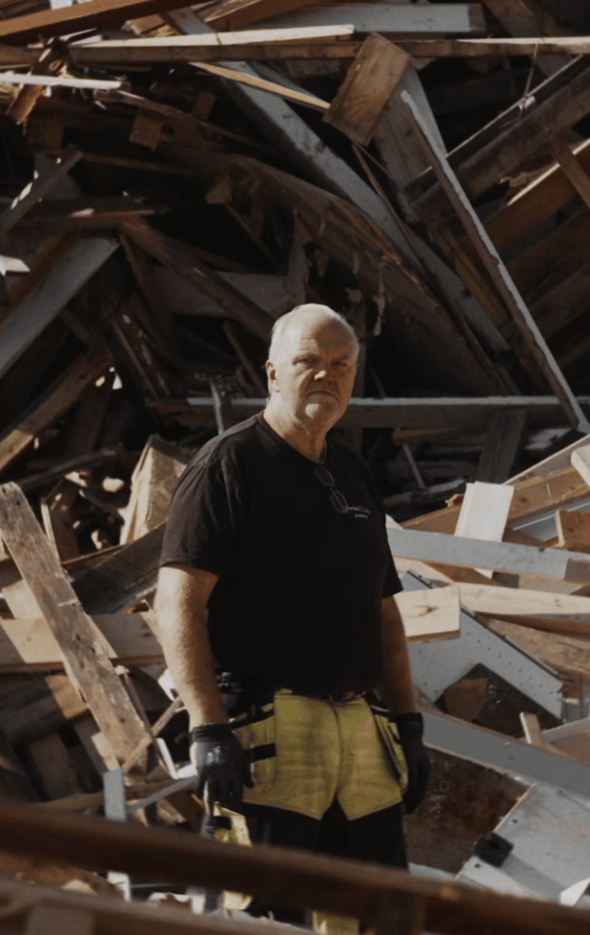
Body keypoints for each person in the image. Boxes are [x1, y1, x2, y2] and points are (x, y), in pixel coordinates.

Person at [155, 304, 430, 888]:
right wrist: (208, 729)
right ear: (273, 372)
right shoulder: (228, 466)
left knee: (375, 914)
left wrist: (409, 723)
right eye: (308, 360)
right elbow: (178, 604)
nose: (327, 374)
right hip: (269, 733)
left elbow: (383, 612)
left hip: (360, 731)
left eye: (342, 364)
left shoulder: (352, 472)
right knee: (274, 917)